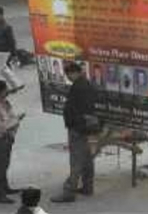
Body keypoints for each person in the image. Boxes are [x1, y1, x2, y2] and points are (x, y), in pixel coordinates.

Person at [51, 62, 96, 203]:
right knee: (87, 158)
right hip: (85, 127)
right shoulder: (85, 84)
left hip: (77, 127)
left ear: (74, 73)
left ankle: (69, 192)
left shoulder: (79, 87)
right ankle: (88, 187)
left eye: (68, 75)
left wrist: (74, 122)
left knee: (76, 160)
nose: (68, 77)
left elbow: (78, 109)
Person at [0, 80, 25, 203]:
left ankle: (5, 187)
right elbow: (1, 125)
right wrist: (17, 120)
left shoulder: (4, 102)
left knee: (5, 163)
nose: (7, 91)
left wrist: (15, 119)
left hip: (7, 137)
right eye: (5, 89)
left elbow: (9, 117)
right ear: (0, 91)